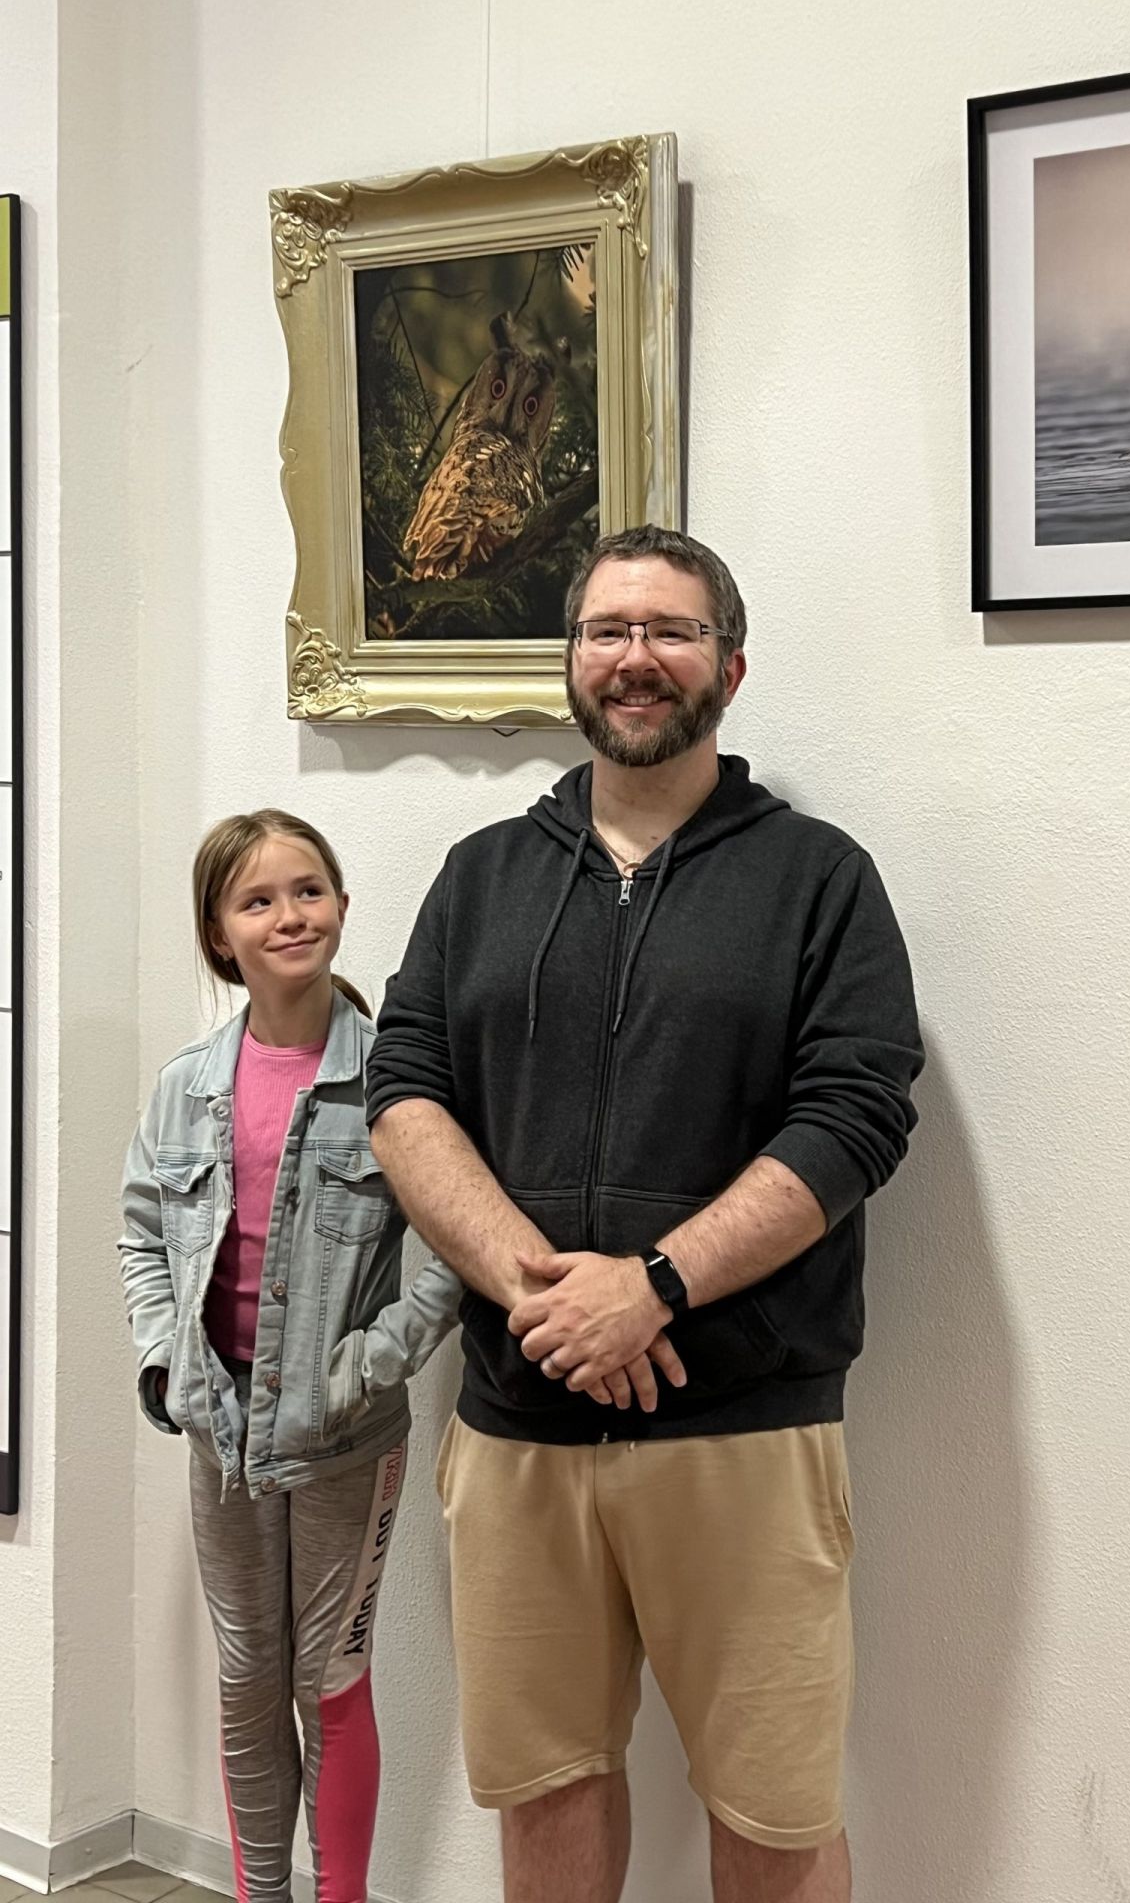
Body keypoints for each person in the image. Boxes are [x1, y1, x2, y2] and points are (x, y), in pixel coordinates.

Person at [367, 526, 923, 1903]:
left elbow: (856, 1114)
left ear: (728, 664)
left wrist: (655, 1287)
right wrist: (537, 1289)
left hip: (742, 1421)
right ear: (569, 663)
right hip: (520, 1419)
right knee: (544, 1796)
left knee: (776, 1814)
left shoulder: (819, 878)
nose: (636, 657)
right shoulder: (482, 873)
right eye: (608, 629)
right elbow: (404, 1085)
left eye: (670, 630)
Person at [118, 809, 462, 1903]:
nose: (288, 916)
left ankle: (340, 1895)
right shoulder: (187, 1086)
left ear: (345, 908)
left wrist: (377, 1357)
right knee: (247, 1678)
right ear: (221, 933)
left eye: (308, 890)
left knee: (330, 1677)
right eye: (257, 900)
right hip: (218, 1438)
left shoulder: (394, 1086)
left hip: (343, 1442)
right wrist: (168, 1362)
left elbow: (458, 1243)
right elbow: (140, 1232)